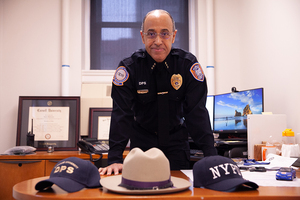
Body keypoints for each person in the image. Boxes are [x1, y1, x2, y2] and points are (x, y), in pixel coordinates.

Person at [99, 9, 217, 175]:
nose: (158, 41)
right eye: (151, 34)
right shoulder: (129, 69)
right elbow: (121, 115)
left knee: (179, 191)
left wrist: (211, 157)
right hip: (142, 146)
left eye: (165, 33)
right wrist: (115, 159)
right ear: (142, 36)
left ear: (174, 36)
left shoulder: (187, 65)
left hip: (177, 145)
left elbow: (196, 113)